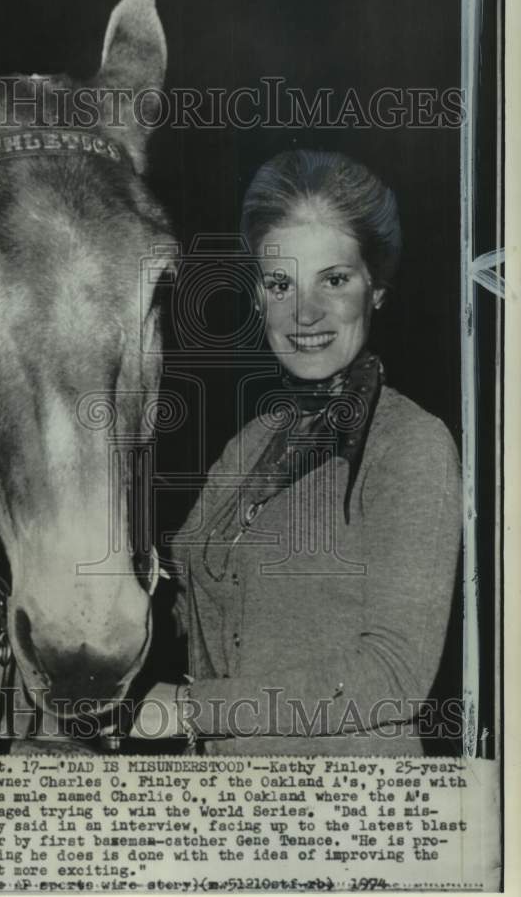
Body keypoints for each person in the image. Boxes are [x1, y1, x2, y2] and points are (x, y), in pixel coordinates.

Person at [133, 149, 462, 755]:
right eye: (281, 283)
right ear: (258, 298)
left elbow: (393, 676)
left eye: (333, 280)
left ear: (377, 290)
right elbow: (182, 602)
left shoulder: (411, 445)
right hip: (228, 813)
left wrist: (189, 709)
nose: (304, 313)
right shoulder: (251, 442)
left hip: (352, 818)